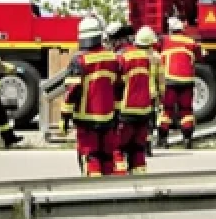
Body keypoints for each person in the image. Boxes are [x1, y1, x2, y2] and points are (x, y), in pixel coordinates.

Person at [61, 17, 123, 177]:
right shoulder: (112, 58)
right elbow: (119, 87)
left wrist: (65, 116)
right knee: (107, 157)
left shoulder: (79, 59)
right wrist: (116, 113)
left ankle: (93, 190)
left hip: (86, 119)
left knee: (91, 156)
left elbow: (72, 90)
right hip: (108, 118)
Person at [115, 23, 156, 174]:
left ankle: (119, 183)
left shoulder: (122, 57)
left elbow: (117, 85)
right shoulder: (145, 57)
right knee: (138, 150)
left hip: (126, 112)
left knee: (117, 148)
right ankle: (140, 184)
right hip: (144, 110)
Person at [157, 17, 203, 150]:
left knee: (167, 110)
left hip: (169, 79)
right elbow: (200, 56)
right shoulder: (191, 41)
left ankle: (163, 139)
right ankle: (187, 138)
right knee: (186, 110)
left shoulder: (165, 40)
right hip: (187, 80)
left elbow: (154, 48)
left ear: (171, 30)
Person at [139, 26, 163, 158]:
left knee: (138, 122)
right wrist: (162, 94)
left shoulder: (133, 55)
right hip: (151, 94)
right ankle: (147, 148)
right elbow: (161, 79)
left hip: (135, 95)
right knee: (149, 122)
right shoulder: (156, 57)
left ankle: (139, 146)